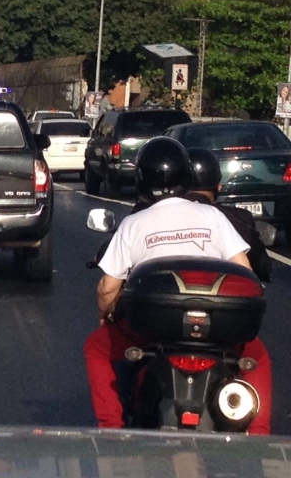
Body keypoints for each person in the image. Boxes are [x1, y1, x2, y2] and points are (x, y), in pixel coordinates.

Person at [84, 137, 272, 434]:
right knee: (257, 356)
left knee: (97, 347)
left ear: (141, 178)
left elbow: (108, 288)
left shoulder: (134, 223)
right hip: (216, 329)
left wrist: (107, 315)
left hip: (152, 329)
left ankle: (112, 432)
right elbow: (245, 274)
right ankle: (260, 439)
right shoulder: (213, 216)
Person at [186, 147, 272, 283]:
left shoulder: (153, 216)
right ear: (218, 185)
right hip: (224, 297)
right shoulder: (238, 218)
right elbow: (261, 268)